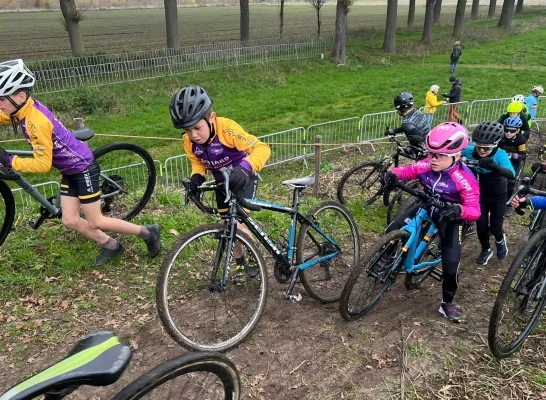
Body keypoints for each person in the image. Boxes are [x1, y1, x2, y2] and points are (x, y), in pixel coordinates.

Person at [0, 59, 161, 266]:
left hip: (82, 167)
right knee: (69, 219)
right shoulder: (21, 109)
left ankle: (148, 232)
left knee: (96, 220)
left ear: (20, 96)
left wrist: (10, 160)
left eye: (2, 99)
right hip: (69, 169)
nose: (0, 104)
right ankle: (112, 245)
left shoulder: (34, 122)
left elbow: (42, 165)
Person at [170, 85, 271, 284]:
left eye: (197, 128)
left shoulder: (228, 129)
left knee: (238, 223)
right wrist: (196, 178)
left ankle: (254, 258)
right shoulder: (188, 141)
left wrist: (245, 167)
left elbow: (262, 148)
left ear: (212, 118)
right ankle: (241, 263)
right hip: (221, 182)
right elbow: (197, 161)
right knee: (228, 226)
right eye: (188, 130)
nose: (194, 135)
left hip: (243, 176)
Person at [383, 122, 480, 322]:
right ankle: (384, 260)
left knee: (450, 265)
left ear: (457, 155)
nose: (433, 159)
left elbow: (475, 210)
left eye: (440, 155)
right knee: (393, 229)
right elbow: (407, 170)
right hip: (426, 208)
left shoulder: (464, 179)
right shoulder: (426, 165)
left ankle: (448, 303)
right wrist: (392, 174)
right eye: (430, 154)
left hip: (451, 219)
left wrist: (459, 209)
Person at [461, 121, 514, 265]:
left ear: (495, 145)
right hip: (481, 195)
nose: (482, 150)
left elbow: (511, 173)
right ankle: (486, 249)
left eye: (487, 148)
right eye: (480, 147)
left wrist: (494, 166)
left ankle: (500, 239)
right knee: (481, 227)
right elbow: (455, 152)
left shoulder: (500, 154)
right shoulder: (470, 151)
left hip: (498, 196)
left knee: (496, 228)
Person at [499, 116, 527, 216]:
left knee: (510, 186)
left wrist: (515, 155)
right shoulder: (501, 137)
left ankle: (509, 206)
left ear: (518, 130)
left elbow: (523, 155)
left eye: (512, 131)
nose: (509, 133)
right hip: (501, 162)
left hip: (514, 164)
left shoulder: (521, 139)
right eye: (506, 130)